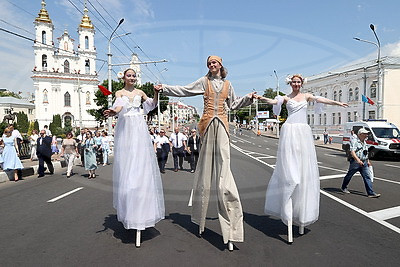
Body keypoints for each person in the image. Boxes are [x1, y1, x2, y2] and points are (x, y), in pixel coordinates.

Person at [154, 55, 256, 249]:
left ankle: (231, 226)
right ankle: (199, 218)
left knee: (224, 172)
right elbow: (184, 90)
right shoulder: (204, 82)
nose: (212, 65)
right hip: (207, 126)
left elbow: (234, 105)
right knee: (204, 172)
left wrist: (249, 99)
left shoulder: (228, 85)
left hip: (223, 126)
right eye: (209, 63)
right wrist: (165, 88)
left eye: (214, 62)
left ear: (220, 65)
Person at [257, 74, 348, 243]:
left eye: (298, 82)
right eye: (294, 82)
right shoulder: (285, 97)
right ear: (290, 84)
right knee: (290, 169)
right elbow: (271, 102)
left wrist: (337, 103)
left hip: (303, 133)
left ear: (302, 84)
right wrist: (260, 97)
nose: (296, 84)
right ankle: (289, 192)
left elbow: (321, 99)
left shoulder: (307, 96)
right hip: (290, 131)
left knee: (304, 168)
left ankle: (300, 215)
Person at [104, 68, 164, 247]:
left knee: (141, 166)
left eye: (133, 76)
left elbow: (152, 105)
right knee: (128, 169)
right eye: (129, 75)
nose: (131, 78)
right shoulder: (120, 92)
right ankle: (131, 210)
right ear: (124, 77)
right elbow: (119, 106)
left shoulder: (140, 92)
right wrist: (113, 113)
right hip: (126, 129)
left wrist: (155, 92)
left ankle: (142, 212)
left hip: (139, 127)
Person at [341, 128, 381, 198]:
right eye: (365, 134)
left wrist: (368, 161)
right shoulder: (354, 141)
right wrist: (358, 160)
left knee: (367, 177)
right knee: (349, 175)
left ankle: (370, 193)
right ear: (360, 134)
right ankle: (344, 187)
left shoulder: (364, 142)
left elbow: (365, 152)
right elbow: (352, 152)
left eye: (367, 134)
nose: (367, 135)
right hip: (355, 162)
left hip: (364, 162)